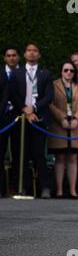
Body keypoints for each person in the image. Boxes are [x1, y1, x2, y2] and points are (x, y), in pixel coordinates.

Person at [9, 43, 53, 198]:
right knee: (22, 154)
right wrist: (25, 110)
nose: (32, 53)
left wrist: (33, 108)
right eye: (29, 50)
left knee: (40, 154)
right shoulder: (17, 73)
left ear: (39, 54)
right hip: (21, 119)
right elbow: (13, 95)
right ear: (24, 54)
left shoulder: (45, 73)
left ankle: (44, 188)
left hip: (39, 119)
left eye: (35, 50)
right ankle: (24, 187)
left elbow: (49, 96)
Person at [48, 60, 78, 198]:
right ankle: (59, 190)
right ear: (61, 71)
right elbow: (51, 104)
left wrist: (77, 118)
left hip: (76, 126)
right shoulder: (54, 85)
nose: (69, 73)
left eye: (71, 70)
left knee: (73, 157)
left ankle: (72, 190)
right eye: (66, 70)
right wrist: (62, 118)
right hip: (60, 125)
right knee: (59, 157)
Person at [0, 46, 21, 197]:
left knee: (18, 153)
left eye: (14, 55)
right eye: (9, 55)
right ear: (4, 58)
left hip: (19, 118)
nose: (11, 58)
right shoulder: (1, 73)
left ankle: (15, 187)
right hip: (2, 117)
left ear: (18, 57)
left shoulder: (23, 73)